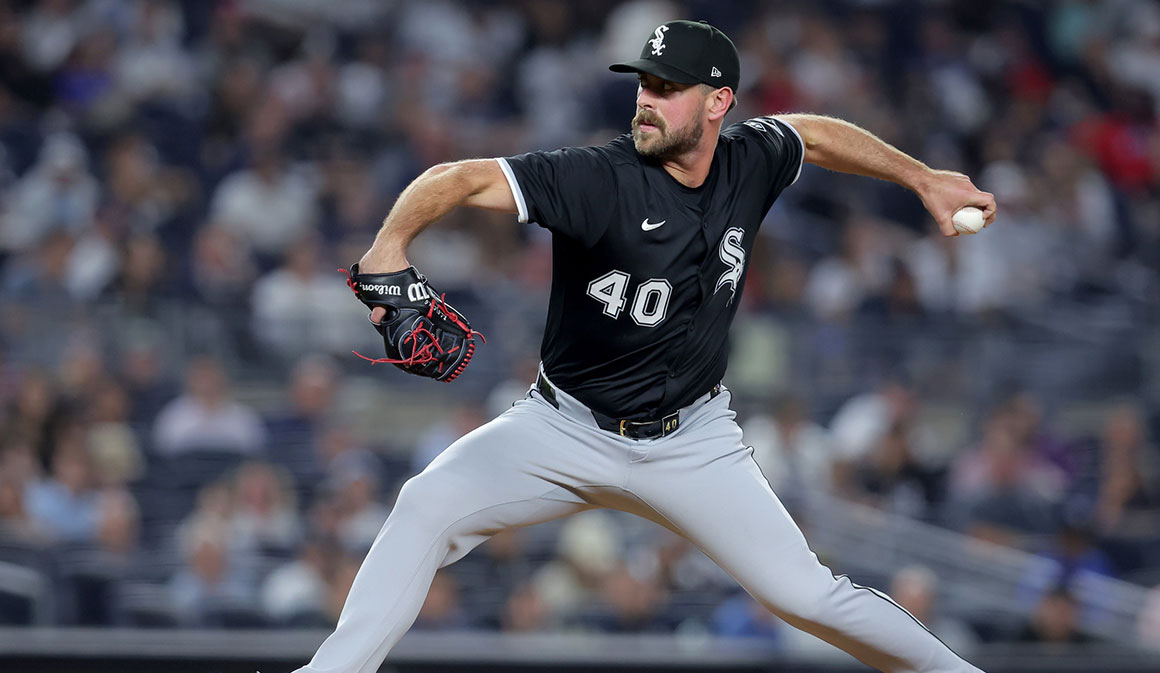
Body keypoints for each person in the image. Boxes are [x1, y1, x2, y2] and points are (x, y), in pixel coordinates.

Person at [296, 20, 995, 673]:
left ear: (719, 101)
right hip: (562, 427)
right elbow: (458, 178)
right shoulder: (596, 178)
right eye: (644, 83)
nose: (646, 99)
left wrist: (922, 177)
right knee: (424, 503)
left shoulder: (749, 161)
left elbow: (810, 134)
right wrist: (388, 244)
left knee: (806, 596)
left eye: (667, 87)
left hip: (693, 441)